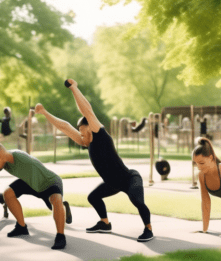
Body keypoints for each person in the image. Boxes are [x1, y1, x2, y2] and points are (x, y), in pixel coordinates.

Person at [35, 78, 153, 242]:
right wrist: (45, 113)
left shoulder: (101, 135)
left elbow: (87, 111)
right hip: (112, 183)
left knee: (136, 200)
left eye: (83, 131)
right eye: (80, 133)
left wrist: (74, 88)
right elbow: (65, 127)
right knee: (93, 197)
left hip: (129, 178)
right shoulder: (86, 142)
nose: (81, 136)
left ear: (91, 127)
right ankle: (104, 223)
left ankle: (148, 229)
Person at [0, 141, 72, 249]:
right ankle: (22, 227)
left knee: (55, 201)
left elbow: (38, 169)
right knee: (8, 193)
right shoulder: (6, 161)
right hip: (31, 182)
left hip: (49, 182)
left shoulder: (23, 160)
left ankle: (60, 236)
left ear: (0, 155)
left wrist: (54, 199)